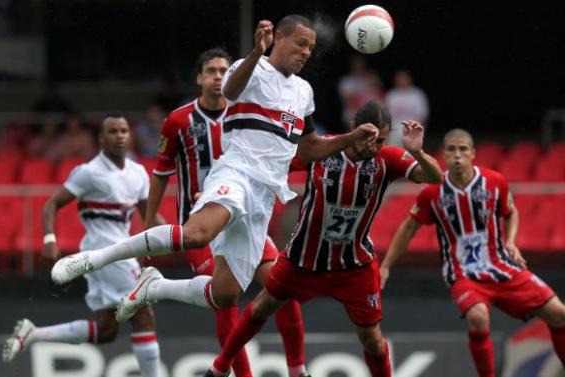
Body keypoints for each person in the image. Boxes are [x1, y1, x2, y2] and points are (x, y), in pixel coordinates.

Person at [51, 14, 377, 364]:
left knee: (223, 294)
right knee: (197, 233)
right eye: (300, 43)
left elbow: (309, 147)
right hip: (236, 172)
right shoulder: (248, 68)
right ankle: (94, 258)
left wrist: (349, 138)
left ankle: (154, 287)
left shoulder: (303, 92)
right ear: (278, 39)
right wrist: (255, 52)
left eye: (311, 47)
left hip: (264, 197)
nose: (306, 52)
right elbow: (232, 90)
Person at [203, 100, 442, 377]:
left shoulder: (387, 158)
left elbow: (435, 178)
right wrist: (218, 193)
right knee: (261, 306)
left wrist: (418, 152)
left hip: (353, 266)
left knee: (373, 341)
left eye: (381, 140)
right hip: (303, 257)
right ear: (354, 128)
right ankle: (220, 368)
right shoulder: (321, 149)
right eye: (370, 138)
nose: (374, 146)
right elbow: (263, 168)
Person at [143, 47, 309, 377]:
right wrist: (149, 225)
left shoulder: (251, 111)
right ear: (199, 78)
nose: (219, 76)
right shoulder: (178, 121)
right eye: (212, 71)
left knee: (282, 290)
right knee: (226, 300)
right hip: (202, 223)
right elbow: (160, 174)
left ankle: (297, 370)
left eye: (223, 70)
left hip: (244, 214)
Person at [379, 128, 565, 376]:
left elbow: (511, 213)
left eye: (463, 149)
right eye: (452, 149)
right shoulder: (433, 192)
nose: (458, 155)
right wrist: (386, 265)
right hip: (462, 272)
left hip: (501, 266)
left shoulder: (494, 182)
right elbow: (409, 226)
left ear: (473, 154)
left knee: (558, 313)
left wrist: (511, 242)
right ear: (443, 155)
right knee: (477, 317)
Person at [3, 113, 164, 377]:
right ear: (101, 139)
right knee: (143, 314)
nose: (120, 136)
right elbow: (51, 204)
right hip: (109, 253)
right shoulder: (89, 172)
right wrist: (49, 239)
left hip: (109, 254)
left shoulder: (138, 173)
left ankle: (32, 334)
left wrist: (176, 234)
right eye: (113, 131)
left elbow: (150, 214)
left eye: (124, 130)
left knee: (107, 331)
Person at [384, 69, 429, 147]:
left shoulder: (417, 94)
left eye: (404, 78)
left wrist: (416, 130)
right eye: (400, 78)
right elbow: (386, 117)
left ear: (409, 79)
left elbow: (422, 117)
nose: (402, 80)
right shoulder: (391, 95)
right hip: (394, 130)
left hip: (412, 129)